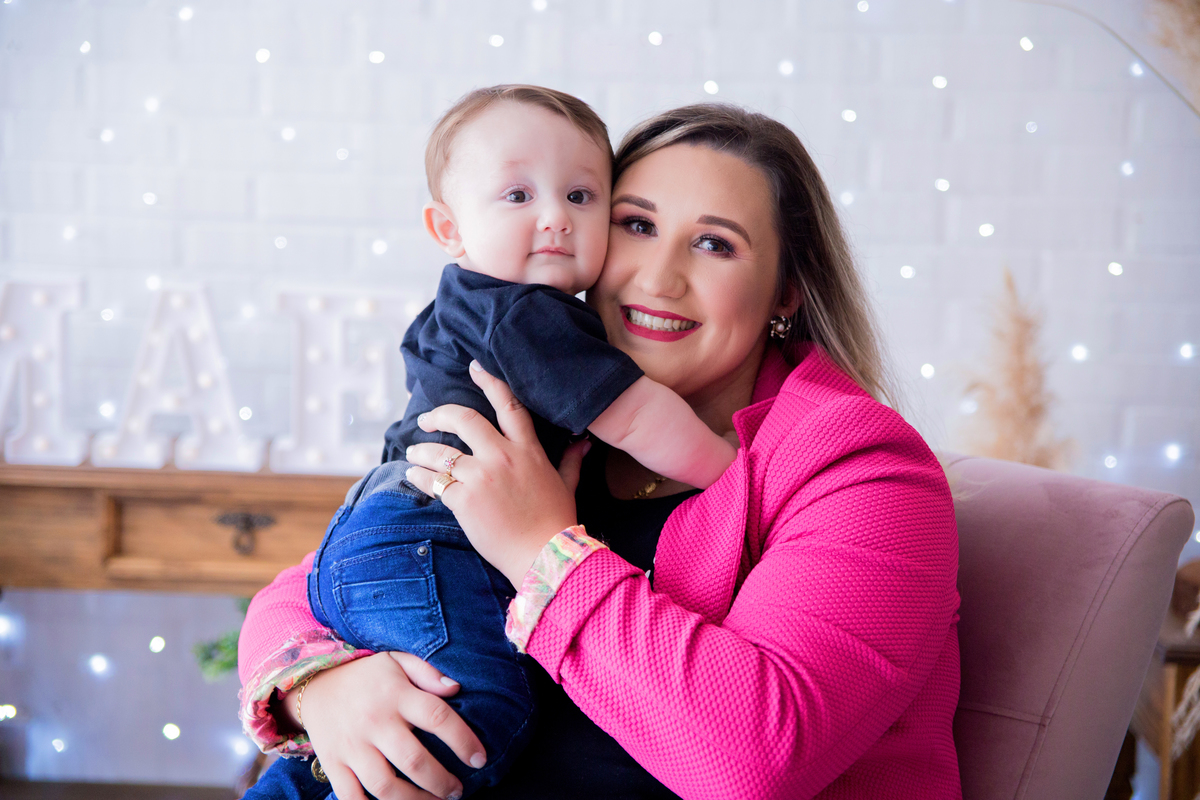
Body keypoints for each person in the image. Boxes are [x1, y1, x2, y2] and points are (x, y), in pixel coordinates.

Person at [238, 103, 963, 800]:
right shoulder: (554, 412)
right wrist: (318, 684)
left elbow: (757, 759)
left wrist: (540, 550)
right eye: (636, 225)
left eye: (715, 243)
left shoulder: (864, 470)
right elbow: (313, 583)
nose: (657, 277)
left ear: (787, 291)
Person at [247, 85, 738, 799]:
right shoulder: (524, 317)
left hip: (390, 525)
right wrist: (737, 468)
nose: (555, 219)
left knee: (416, 711)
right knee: (479, 721)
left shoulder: (471, 303)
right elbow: (636, 419)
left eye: (581, 197)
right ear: (448, 228)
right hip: (432, 532)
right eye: (517, 196)